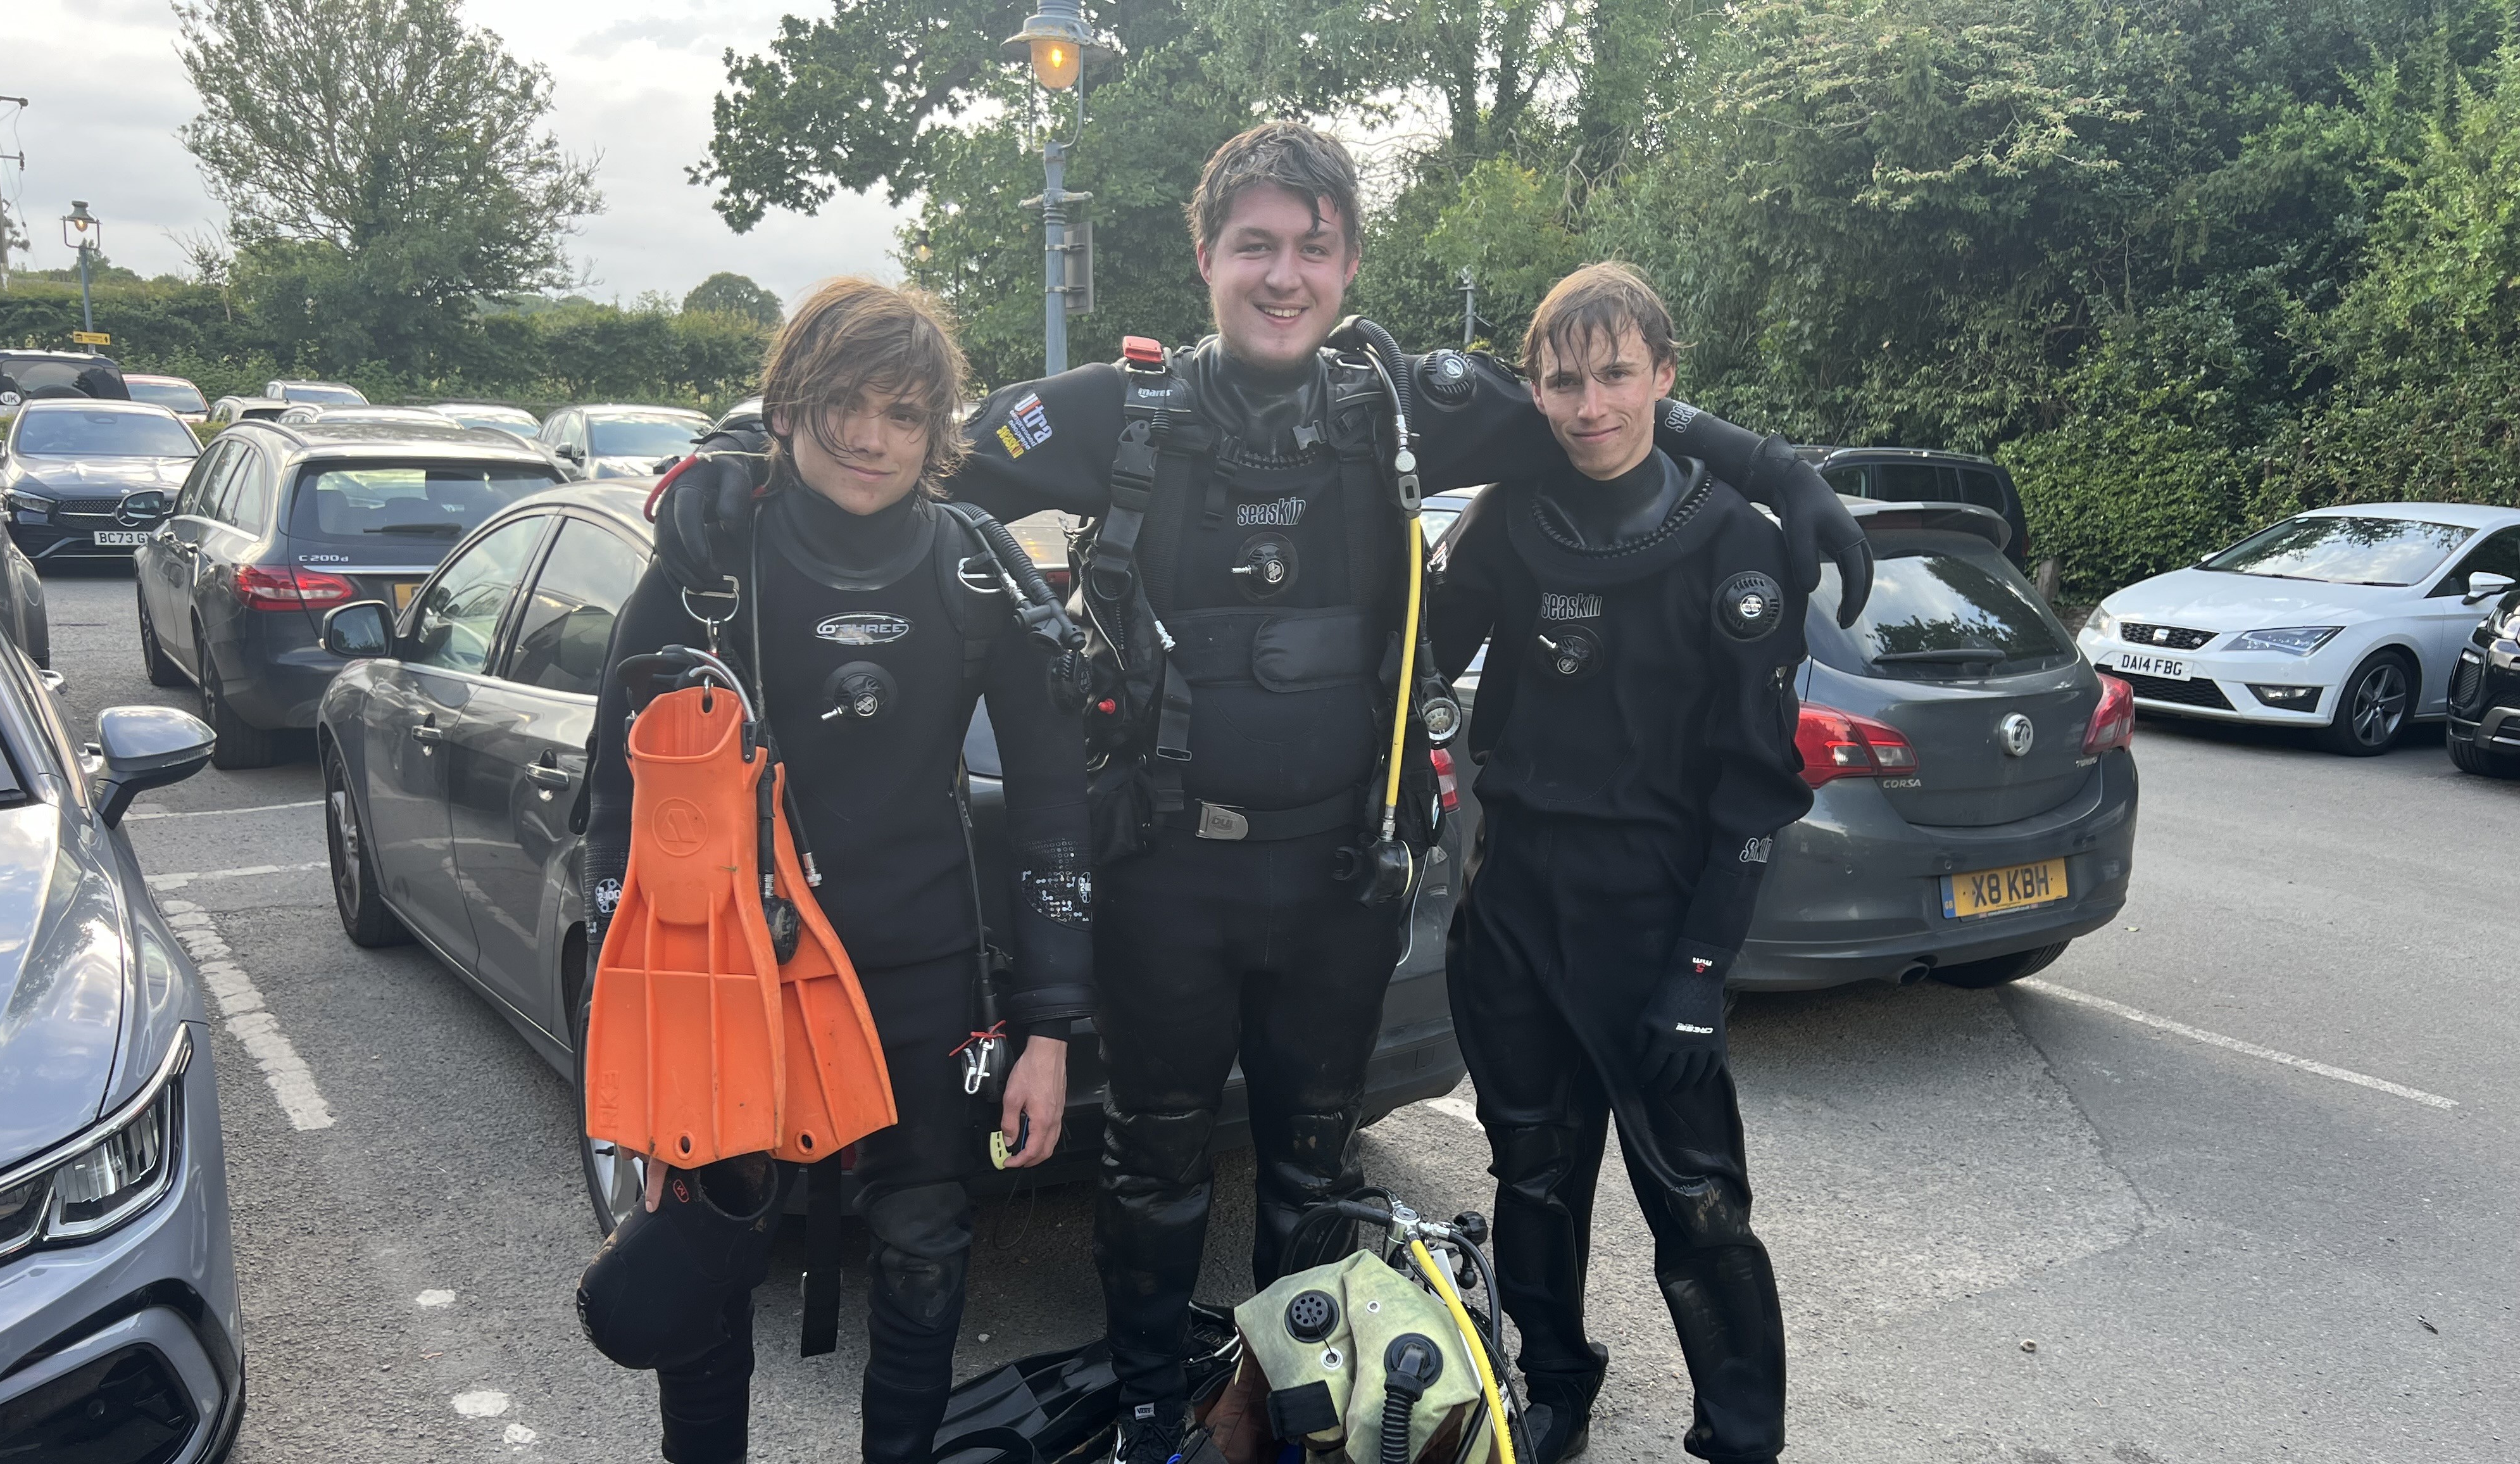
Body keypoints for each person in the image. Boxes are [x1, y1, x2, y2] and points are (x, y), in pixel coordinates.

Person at [653, 124, 1869, 1464]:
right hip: (1167, 878)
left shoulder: (1402, 405)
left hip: (1340, 881)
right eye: (1256, 247)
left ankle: (1297, 1417)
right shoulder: (1117, 414)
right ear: (1207, 257)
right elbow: (900, 431)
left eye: (1312, 248)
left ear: (1348, 264)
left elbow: (1598, 414)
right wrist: (733, 458)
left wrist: (1777, 473)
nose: (1284, 275)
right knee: (1156, 1167)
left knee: (1311, 1172)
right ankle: (1145, 1416)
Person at [575, 277, 1095, 1464]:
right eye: (843, 405)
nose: (871, 437)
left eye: (905, 414)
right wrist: (628, 1023)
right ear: (787, 408)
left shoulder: (974, 574)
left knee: (925, 1250)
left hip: (918, 970)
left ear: (936, 432)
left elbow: (1054, 809)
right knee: (710, 1254)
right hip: (728, 975)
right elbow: (617, 804)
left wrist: (1049, 1031)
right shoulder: (710, 561)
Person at [1426, 263, 1812, 1464]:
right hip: (1514, 901)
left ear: (1665, 379)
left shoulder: (1734, 541)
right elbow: (1411, 658)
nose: (1590, 405)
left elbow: (1757, 790)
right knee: (1534, 1173)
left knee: (1698, 1199)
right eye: (1562, 381)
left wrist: (1701, 970)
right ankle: (1555, 1387)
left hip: (1653, 917)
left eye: (1615, 375)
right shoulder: (1512, 519)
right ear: (1536, 390)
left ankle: (1745, 1431)